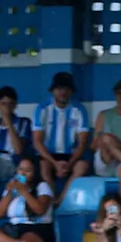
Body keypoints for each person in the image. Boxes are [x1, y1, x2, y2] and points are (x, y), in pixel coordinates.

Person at [32, 71, 91, 201]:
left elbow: (82, 144)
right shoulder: (42, 109)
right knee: (44, 167)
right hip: (48, 155)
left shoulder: (79, 110)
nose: (63, 92)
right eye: (59, 88)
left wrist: (69, 164)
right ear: (53, 90)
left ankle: (62, 201)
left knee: (82, 167)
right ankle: (53, 201)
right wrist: (55, 164)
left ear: (71, 91)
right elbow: (37, 142)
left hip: (71, 156)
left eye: (66, 88)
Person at [0, 153, 55, 242]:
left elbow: (40, 209)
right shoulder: (13, 187)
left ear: (35, 173)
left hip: (37, 229)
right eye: (20, 170)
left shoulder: (42, 186)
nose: (23, 174)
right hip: (14, 229)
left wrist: (24, 191)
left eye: (28, 171)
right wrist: (9, 193)